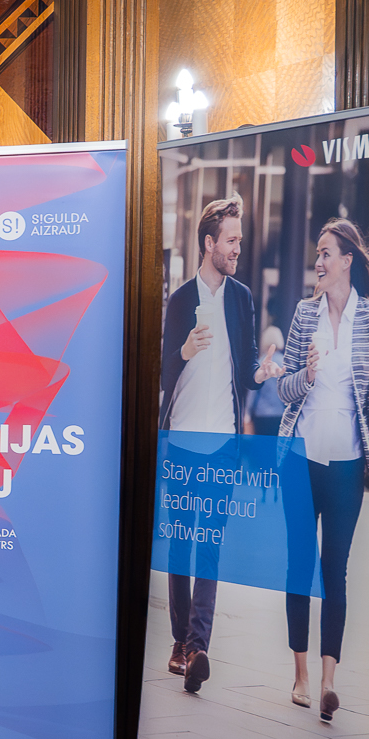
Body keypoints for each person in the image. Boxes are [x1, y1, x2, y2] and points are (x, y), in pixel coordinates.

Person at [274, 217, 369, 724]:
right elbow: (283, 390)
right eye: (317, 254)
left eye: (326, 253)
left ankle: (329, 682)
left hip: (347, 465)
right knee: (298, 565)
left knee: (335, 572)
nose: (318, 262)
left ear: (347, 260)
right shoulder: (304, 314)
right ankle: (301, 676)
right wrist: (306, 373)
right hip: (299, 460)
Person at [159, 196, 255, 694]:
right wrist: (184, 349)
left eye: (240, 239)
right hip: (180, 442)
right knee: (181, 546)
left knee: (210, 548)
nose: (238, 247)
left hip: (221, 445)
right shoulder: (180, 301)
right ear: (209, 243)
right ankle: (179, 640)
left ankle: (198, 647)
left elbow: (250, 366)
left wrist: (266, 371)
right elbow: (162, 373)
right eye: (231, 240)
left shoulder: (241, 299)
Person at [248, 324, 286, 434]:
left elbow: (252, 392)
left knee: (261, 443)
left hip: (261, 413)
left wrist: (247, 414)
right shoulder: (284, 363)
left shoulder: (260, 363)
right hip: (280, 413)